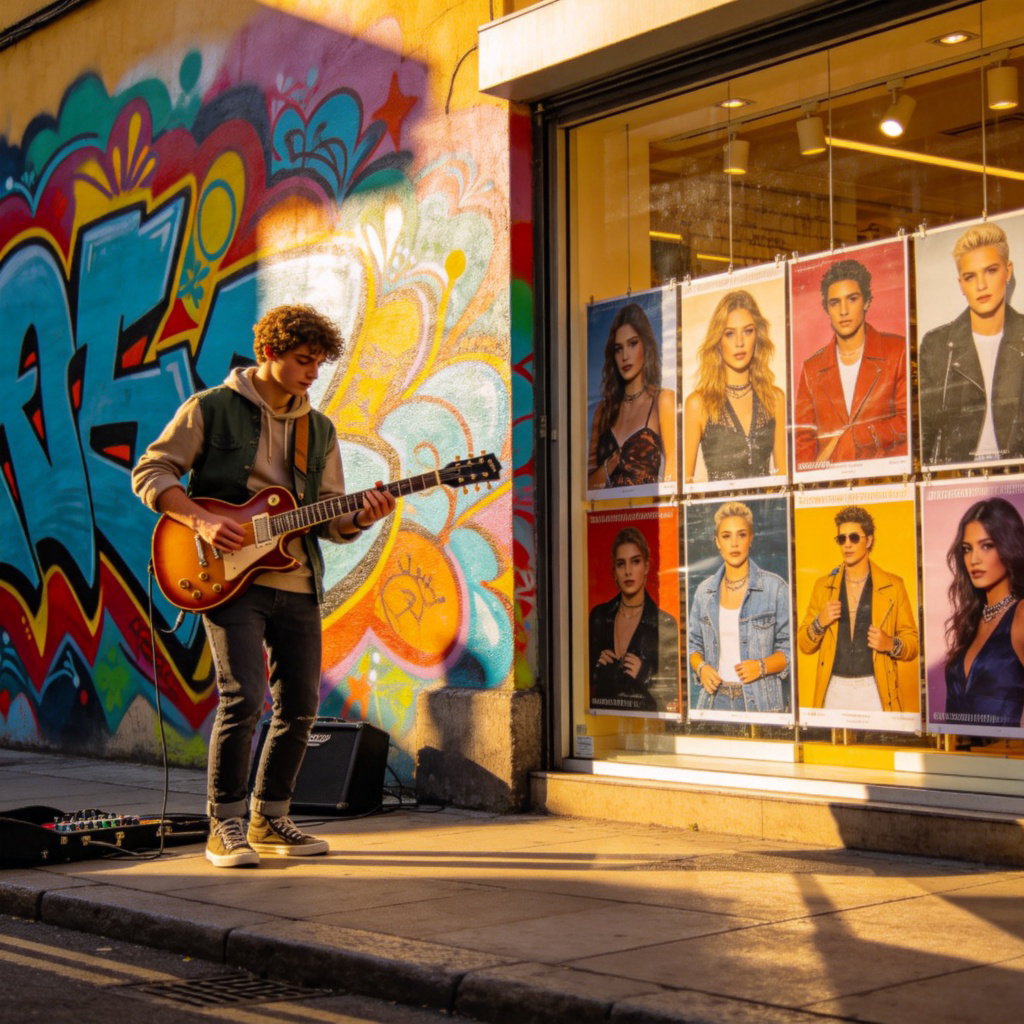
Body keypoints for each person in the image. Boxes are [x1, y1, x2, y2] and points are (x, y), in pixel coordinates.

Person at [132, 304, 396, 868]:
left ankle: (271, 818)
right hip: (224, 580)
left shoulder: (317, 429)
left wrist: (361, 517)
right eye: (304, 360)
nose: (313, 373)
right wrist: (201, 520)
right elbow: (151, 472)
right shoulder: (210, 409)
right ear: (270, 353)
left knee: (300, 705)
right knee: (244, 697)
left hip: (297, 579)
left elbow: (327, 515)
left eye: (320, 363)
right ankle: (223, 825)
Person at [919, 223, 1024, 465]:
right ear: (961, 284)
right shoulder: (937, 345)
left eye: (991, 271)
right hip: (956, 482)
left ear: (1008, 272)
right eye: (970, 276)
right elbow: (927, 431)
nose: (981, 286)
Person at [798, 506, 918, 713]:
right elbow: (804, 645)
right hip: (833, 688)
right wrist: (820, 622)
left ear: (869, 540)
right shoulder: (823, 586)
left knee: (877, 746)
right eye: (841, 539)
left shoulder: (893, 586)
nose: (847, 545)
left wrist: (890, 644)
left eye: (854, 538)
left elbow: (913, 644)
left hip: (876, 689)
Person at [794, 258, 907, 469]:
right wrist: (811, 482)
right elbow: (803, 438)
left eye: (852, 299)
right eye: (835, 303)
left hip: (883, 480)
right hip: (830, 485)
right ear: (826, 308)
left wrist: (857, 436)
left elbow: (906, 420)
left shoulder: (896, 351)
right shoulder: (812, 368)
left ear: (866, 302)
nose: (843, 311)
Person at [688, 502, 790, 713]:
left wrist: (761, 667)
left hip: (760, 702)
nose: (734, 543)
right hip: (715, 700)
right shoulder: (704, 592)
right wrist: (702, 667)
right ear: (717, 542)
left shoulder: (775, 588)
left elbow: (788, 651)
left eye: (741, 535)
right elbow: (693, 645)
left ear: (751, 538)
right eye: (726, 536)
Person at [683, 290, 786, 483]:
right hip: (717, 513)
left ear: (758, 335)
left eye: (748, 331)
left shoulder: (775, 399)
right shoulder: (698, 404)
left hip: (766, 512)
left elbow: (784, 479)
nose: (740, 343)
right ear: (718, 341)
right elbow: (684, 487)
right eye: (729, 334)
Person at [942, 498, 1024, 729]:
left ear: (1010, 547)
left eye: (986, 546)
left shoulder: (1020, 616)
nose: (974, 560)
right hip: (956, 760)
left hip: (1002, 760)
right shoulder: (972, 620)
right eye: (967, 549)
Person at [589, 527, 680, 713]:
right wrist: (599, 669)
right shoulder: (599, 616)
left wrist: (644, 673)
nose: (628, 571)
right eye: (621, 564)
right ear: (614, 571)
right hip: (605, 720)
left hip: (648, 724)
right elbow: (581, 681)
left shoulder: (664, 623)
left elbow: (671, 693)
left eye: (635, 562)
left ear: (646, 566)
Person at [588, 303, 676, 489]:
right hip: (605, 515)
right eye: (618, 349)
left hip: (647, 514)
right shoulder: (603, 410)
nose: (625, 356)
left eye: (633, 344)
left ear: (646, 346)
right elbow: (588, 486)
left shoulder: (663, 400)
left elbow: (673, 471)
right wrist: (612, 462)